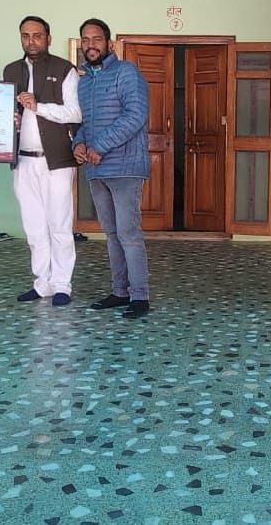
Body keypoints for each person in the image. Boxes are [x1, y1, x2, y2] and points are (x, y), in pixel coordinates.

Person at [72, 18, 151, 318]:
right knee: (111, 233)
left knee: (128, 233)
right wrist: (79, 144)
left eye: (96, 39)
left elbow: (136, 115)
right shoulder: (84, 82)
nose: (90, 45)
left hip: (125, 168)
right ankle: (120, 292)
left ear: (109, 44)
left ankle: (140, 297)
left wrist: (99, 146)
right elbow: (85, 124)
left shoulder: (126, 72)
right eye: (85, 39)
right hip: (96, 170)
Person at [3, 16, 81, 307]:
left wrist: (39, 107)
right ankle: (42, 283)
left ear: (48, 38)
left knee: (59, 225)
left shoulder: (64, 69)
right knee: (34, 227)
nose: (31, 41)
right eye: (25, 36)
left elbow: (75, 113)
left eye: (37, 35)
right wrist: (10, 120)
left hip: (57, 161)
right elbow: (5, 111)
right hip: (23, 162)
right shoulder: (11, 70)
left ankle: (62, 285)